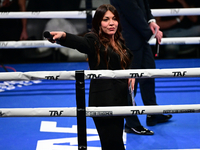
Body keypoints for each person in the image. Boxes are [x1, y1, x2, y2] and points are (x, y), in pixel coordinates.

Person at [46, 4, 134, 150]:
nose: (111, 23)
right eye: (106, 19)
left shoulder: (118, 41)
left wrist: (131, 75)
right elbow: (82, 43)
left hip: (120, 100)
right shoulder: (94, 39)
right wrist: (63, 36)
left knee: (117, 143)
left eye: (114, 19)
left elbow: (125, 61)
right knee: (111, 145)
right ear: (98, 22)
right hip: (104, 101)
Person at [110, 0, 173, 133]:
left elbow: (144, 3)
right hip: (129, 40)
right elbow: (133, 12)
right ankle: (131, 123)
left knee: (149, 74)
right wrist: (149, 32)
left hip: (140, 38)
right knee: (130, 83)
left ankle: (152, 112)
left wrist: (151, 21)